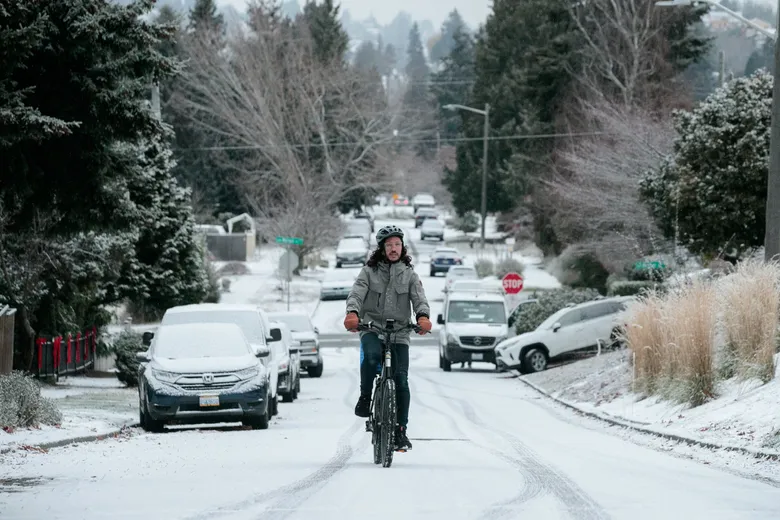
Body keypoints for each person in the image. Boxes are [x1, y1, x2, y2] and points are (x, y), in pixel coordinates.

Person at [344, 224, 432, 451]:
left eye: (397, 244)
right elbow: (356, 294)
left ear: (402, 247)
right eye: (389, 245)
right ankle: (365, 396)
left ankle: (400, 430)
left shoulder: (410, 275)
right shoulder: (368, 272)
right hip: (372, 328)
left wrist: (423, 317)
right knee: (371, 357)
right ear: (382, 249)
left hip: (400, 332)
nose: (394, 249)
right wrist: (352, 313)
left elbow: (419, 299)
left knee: (401, 380)